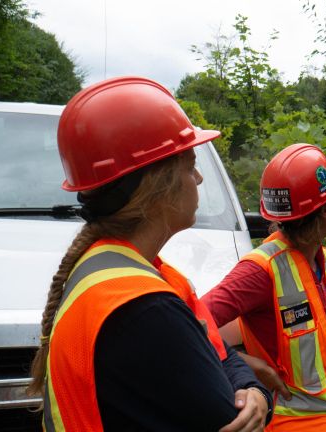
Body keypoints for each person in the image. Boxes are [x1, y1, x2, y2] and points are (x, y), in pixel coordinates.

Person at [28, 76, 272, 431]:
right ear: (158, 185)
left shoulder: (121, 271)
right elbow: (232, 419)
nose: (199, 178)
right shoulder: (145, 308)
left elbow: (219, 352)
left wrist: (252, 388)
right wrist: (257, 397)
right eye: (190, 165)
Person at [202, 143, 326, 431]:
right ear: (322, 212)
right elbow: (190, 323)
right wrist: (246, 363)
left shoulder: (322, 257)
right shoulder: (260, 270)